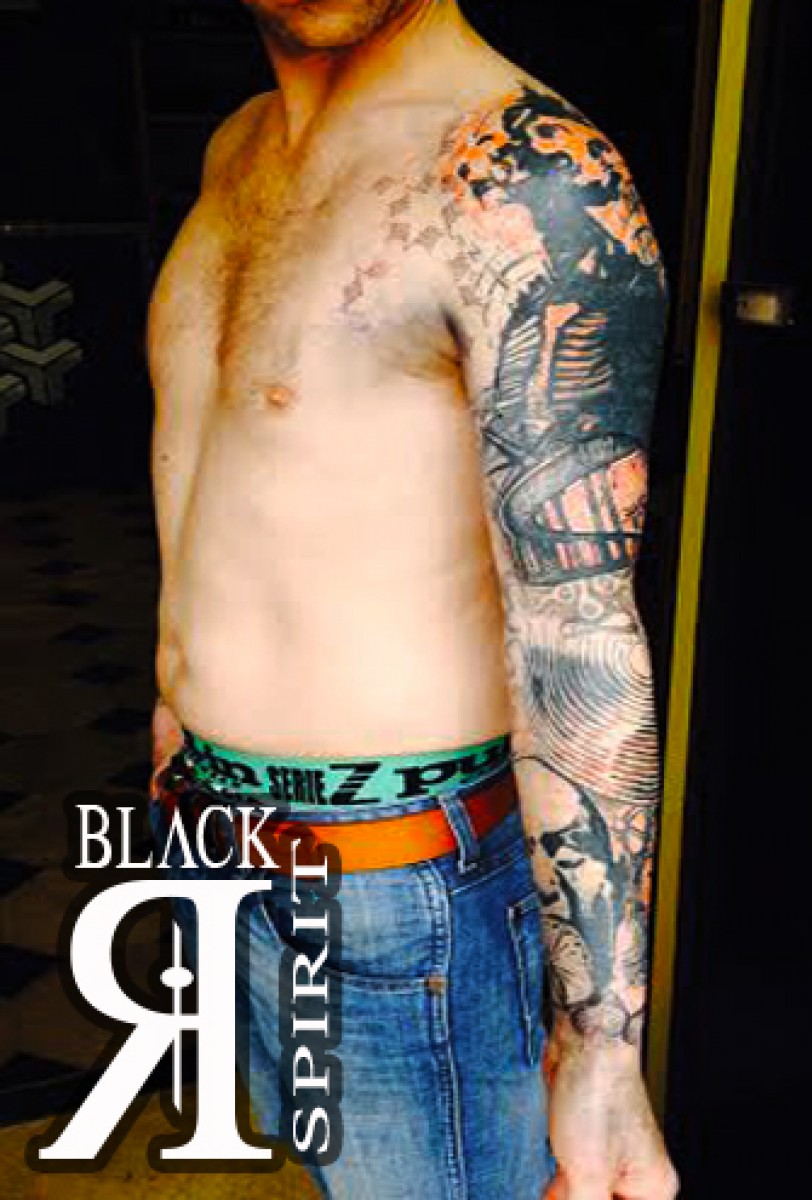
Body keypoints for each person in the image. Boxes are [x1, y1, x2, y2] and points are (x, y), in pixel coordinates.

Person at [147, 1, 678, 1197]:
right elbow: (217, 477)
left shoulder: (526, 174)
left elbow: (579, 632)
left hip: (394, 893)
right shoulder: (239, 146)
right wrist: (177, 723)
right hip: (215, 839)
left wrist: (601, 1045)